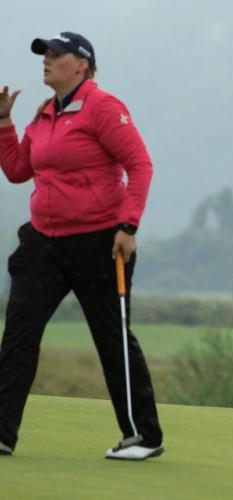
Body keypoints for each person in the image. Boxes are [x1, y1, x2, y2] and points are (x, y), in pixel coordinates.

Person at [0, 32, 163, 459]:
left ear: (82, 64)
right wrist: (3, 124)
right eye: (45, 54)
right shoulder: (44, 114)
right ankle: (1, 432)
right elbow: (17, 170)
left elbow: (140, 165)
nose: (46, 60)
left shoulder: (102, 107)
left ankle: (143, 436)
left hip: (99, 242)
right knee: (19, 333)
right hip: (42, 243)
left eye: (56, 54)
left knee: (112, 338)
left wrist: (129, 225)